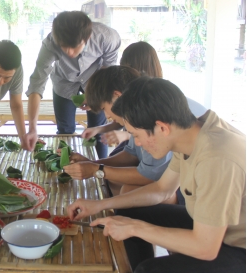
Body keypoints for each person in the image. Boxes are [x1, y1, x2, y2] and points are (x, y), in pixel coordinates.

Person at [68, 77, 245, 273]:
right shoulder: (189, 133)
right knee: (129, 213)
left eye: (136, 135)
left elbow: (206, 247)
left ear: (162, 128)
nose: (138, 144)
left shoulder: (216, 159)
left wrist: (136, 228)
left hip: (237, 245)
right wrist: (100, 205)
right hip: (211, 226)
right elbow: (162, 189)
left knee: (149, 269)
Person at [64, 65, 205, 199]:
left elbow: (151, 176)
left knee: (125, 189)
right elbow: (131, 154)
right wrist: (92, 164)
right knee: (112, 182)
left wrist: (96, 169)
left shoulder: (148, 112)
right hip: (171, 179)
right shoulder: (136, 108)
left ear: (117, 97)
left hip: (187, 187)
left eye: (103, 108)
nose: (107, 116)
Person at [24, 11, 120, 157]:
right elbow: (37, 83)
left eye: (75, 46)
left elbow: (108, 72)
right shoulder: (50, 44)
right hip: (64, 81)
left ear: (87, 38)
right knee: (65, 129)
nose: (69, 52)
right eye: (64, 47)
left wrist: (94, 94)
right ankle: (65, 168)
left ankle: (101, 167)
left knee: (98, 127)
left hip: (95, 78)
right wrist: (32, 128)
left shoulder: (107, 38)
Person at [81, 41, 163, 153]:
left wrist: (127, 136)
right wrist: (99, 129)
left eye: (126, 65)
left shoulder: (152, 99)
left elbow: (154, 136)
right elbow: (120, 120)